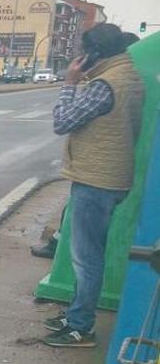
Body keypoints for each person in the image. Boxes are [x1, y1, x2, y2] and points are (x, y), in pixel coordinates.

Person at [43, 23, 145, 347]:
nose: (80, 57)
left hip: (96, 180)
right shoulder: (128, 75)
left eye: (84, 52)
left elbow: (62, 122)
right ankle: (77, 313)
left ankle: (80, 326)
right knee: (88, 255)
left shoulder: (106, 84)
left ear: (95, 53)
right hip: (110, 176)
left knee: (86, 258)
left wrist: (70, 83)